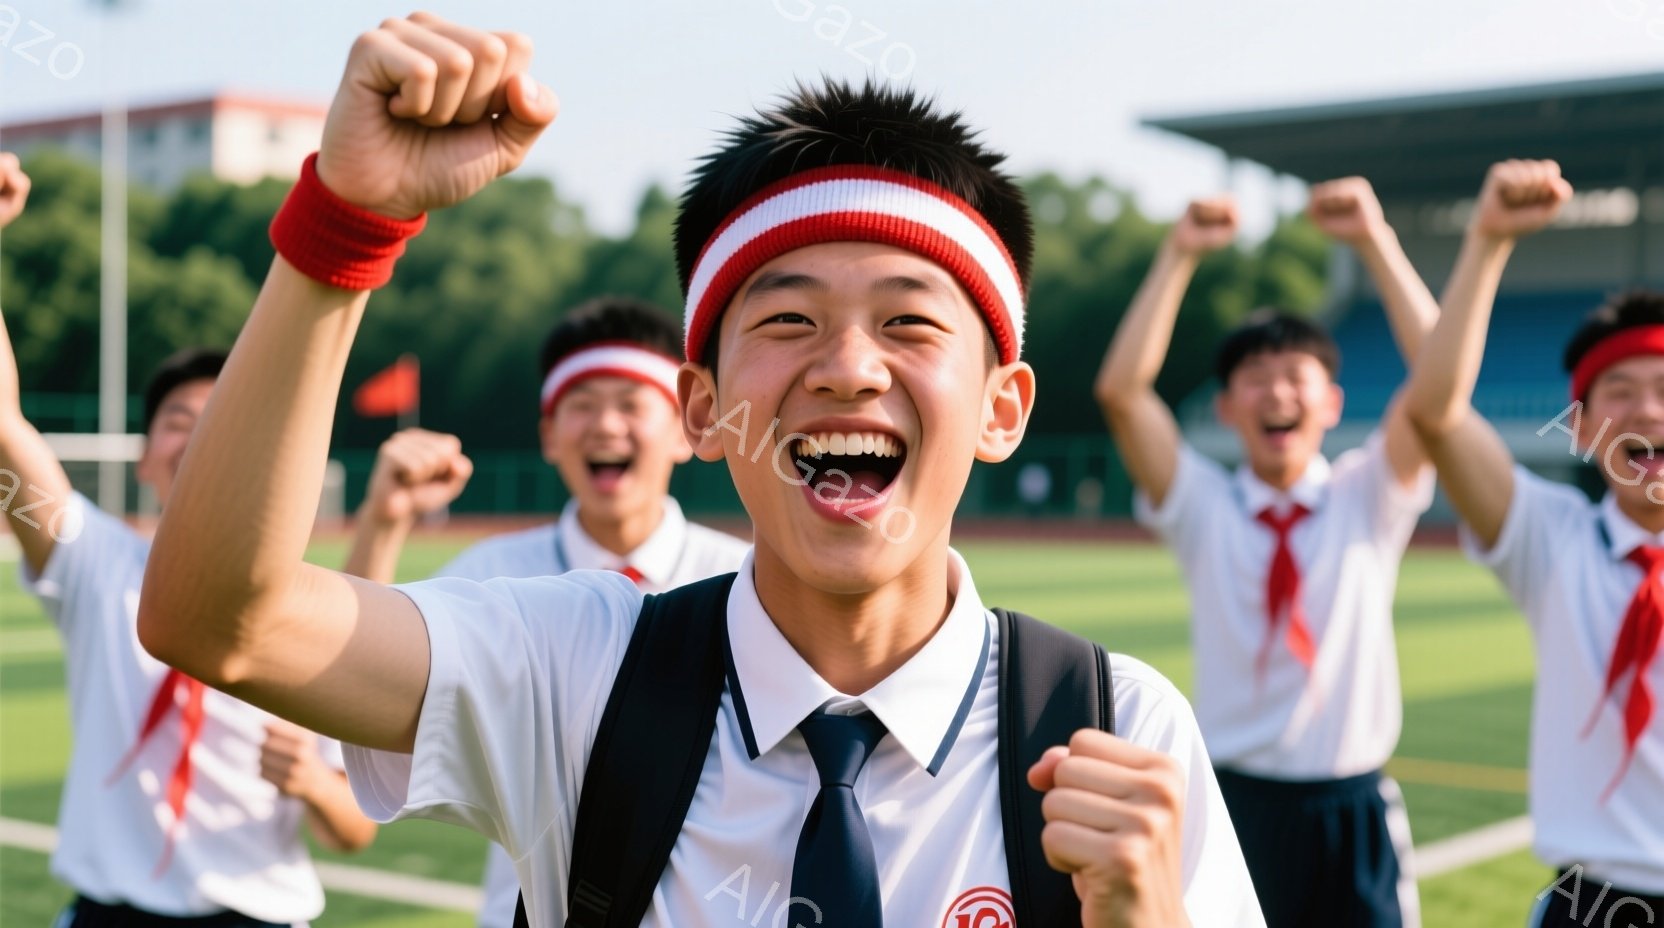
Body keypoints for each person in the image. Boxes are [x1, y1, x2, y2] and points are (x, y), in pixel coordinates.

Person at [135, 14, 1262, 927]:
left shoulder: (1114, 727)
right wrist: (347, 223)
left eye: (911, 323)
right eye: (785, 318)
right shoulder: (576, 670)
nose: (846, 368)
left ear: (1002, 409)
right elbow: (221, 620)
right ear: (705, 410)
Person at [0, 152, 375, 928]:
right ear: (143, 459)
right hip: (110, 914)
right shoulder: (94, 563)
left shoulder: (308, 609)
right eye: (179, 421)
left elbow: (355, 830)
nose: (202, 439)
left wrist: (309, 784)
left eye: (224, 424)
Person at [1094, 177, 1439, 926]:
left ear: (1331, 403)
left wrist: (1374, 239)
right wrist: (1179, 252)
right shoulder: (1203, 505)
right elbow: (1122, 390)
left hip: (1353, 802)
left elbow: (1440, 381)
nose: (1275, 392)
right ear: (1225, 408)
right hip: (1234, 799)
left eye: (1295, 377)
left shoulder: (1366, 494)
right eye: (1255, 378)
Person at [343, 296, 750, 928]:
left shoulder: (747, 578)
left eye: (629, 402)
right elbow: (356, 686)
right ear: (549, 435)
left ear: (683, 428)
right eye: (581, 405)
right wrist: (383, 523)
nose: (605, 425)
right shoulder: (488, 578)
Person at [1404, 160, 1664, 926]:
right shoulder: (1555, 541)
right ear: (1580, 429)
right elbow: (1437, 414)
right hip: (1592, 902)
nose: (1648, 409)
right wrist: (1486, 241)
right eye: (1619, 391)